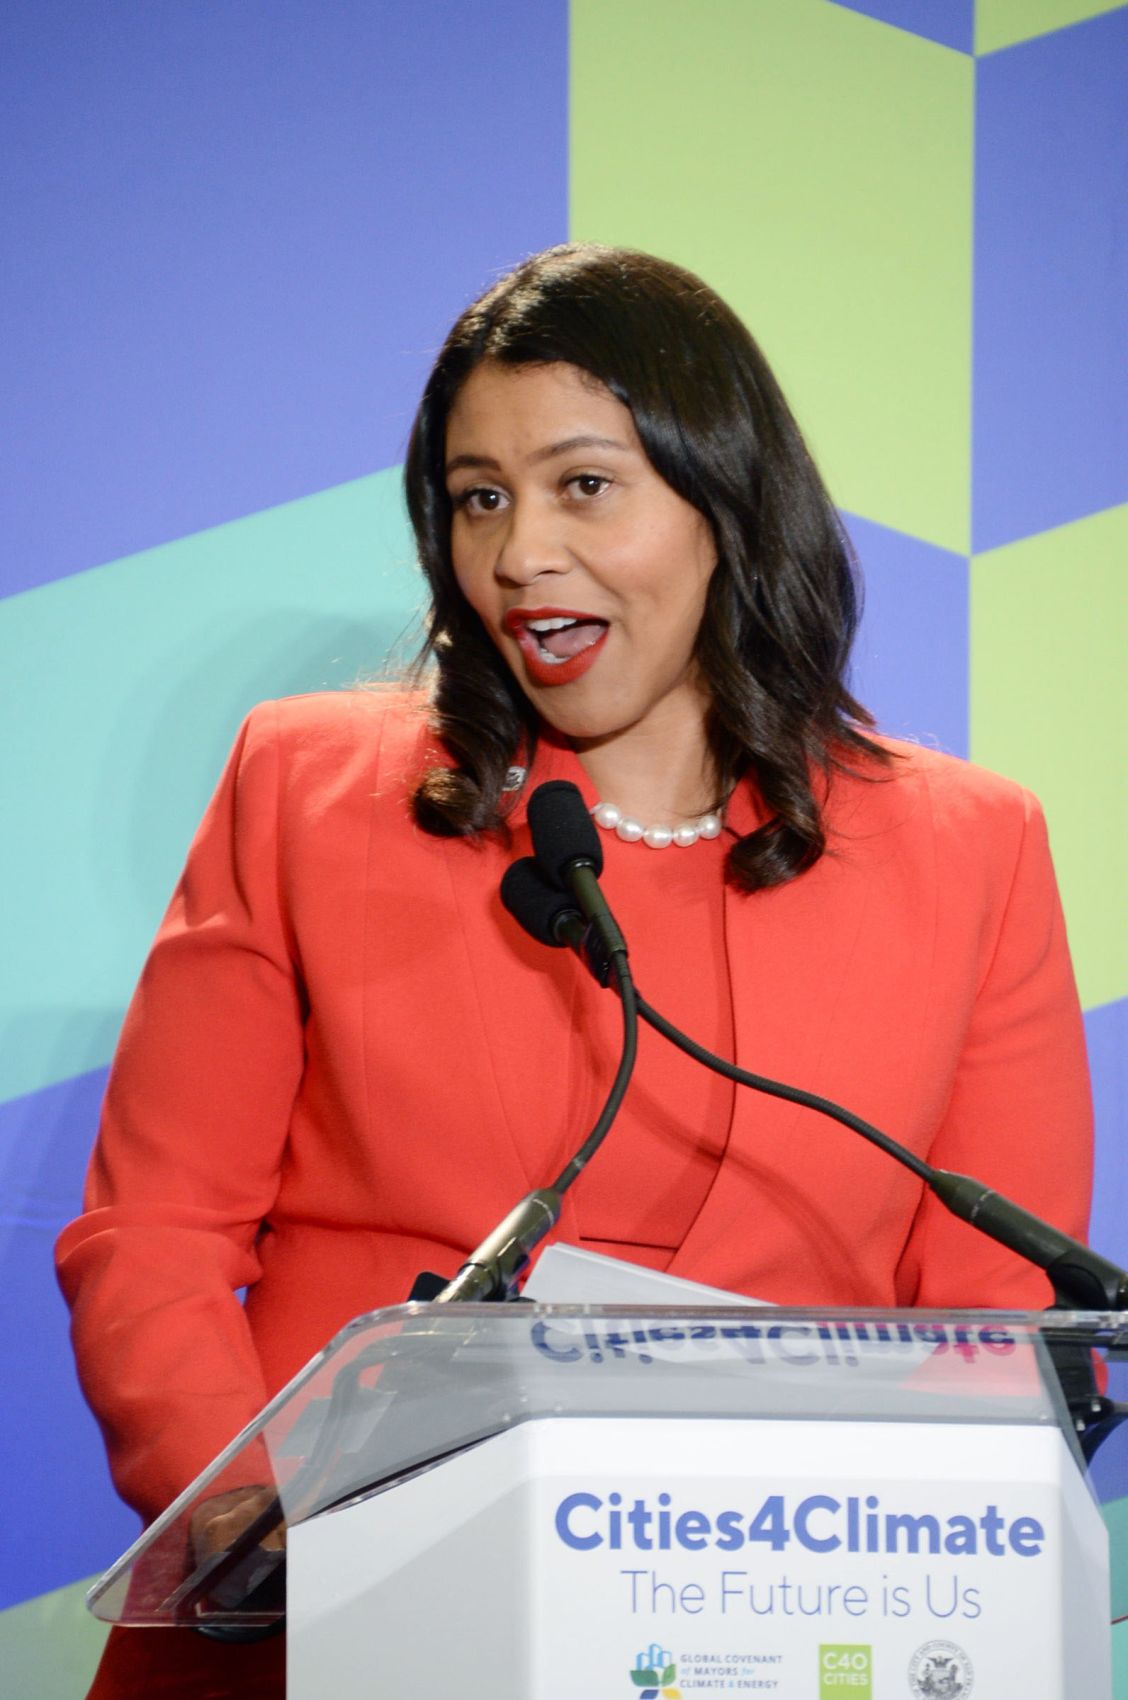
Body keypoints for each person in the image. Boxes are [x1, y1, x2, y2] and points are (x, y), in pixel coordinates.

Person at [56, 244, 1093, 1698]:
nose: (519, 554)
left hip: (763, 1627)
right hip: (324, 1607)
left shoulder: (969, 850)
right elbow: (154, 1230)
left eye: (583, 485)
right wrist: (248, 1523)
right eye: (479, 496)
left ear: (726, 504)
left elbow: (996, 1317)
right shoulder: (308, 791)